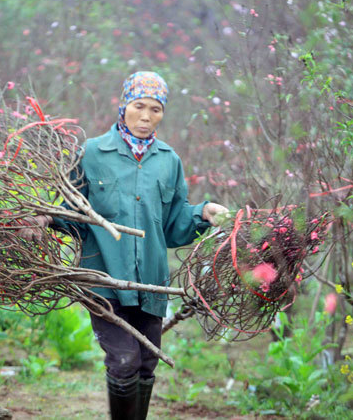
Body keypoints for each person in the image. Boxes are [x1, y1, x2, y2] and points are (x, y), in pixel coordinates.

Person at [22, 71, 228, 419]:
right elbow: (73, 213)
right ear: (123, 105)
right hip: (104, 280)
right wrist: (45, 218)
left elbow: (173, 225)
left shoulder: (168, 160)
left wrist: (202, 213)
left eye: (156, 109)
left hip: (151, 281)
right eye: (139, 106)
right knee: (123, 360)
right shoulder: (92, 153)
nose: (146, 117)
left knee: (146, 364)